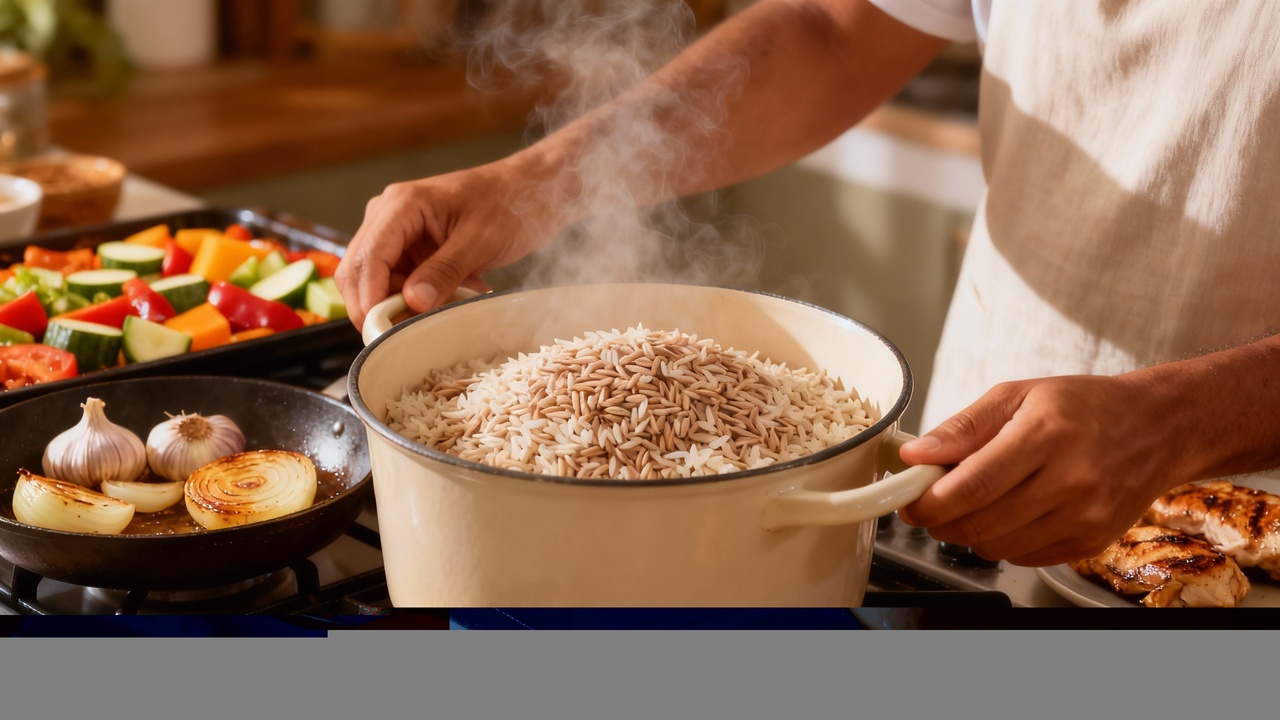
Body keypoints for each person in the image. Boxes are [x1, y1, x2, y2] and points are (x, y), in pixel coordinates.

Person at [334, 0, 1280, 568]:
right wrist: (535, 181)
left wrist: (1183, 418)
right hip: (980, 468)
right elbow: (837, 27)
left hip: (1253, 504)